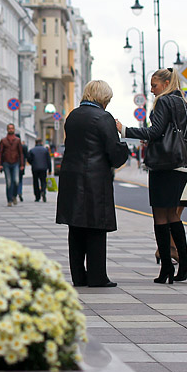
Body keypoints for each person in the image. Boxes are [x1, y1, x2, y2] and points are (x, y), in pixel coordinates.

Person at [116, 68, 187, 285]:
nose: (152, 91)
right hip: (182, 166)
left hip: (164, 165)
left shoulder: (164, 102)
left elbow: (155, 132)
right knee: (174, 216)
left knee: (160, 216)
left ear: (167, 82)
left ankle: (167, 268)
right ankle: (186, 264)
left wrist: (124, 129)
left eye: (154, 85)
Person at [57, 81, 130, 288]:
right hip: (94, 179)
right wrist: (124, 148)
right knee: (96, 227)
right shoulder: (103, 118)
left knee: (76, 227)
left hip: (71, 177)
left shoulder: (73, 116)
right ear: (103, 98)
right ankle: (98, 276)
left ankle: (79, 277)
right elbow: (114, 153)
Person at [0, 124, 24, 207]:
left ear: (14, 130)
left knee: (16, 181)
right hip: (6, 163)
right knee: (8, 182)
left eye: (12, 128)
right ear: (7, 130)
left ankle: (14, 196)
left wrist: (22, 164)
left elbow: (21, 153)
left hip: (15, 162)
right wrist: (0, 164)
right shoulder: (3, 140)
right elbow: (0, 153)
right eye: (9, 128)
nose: (11, 130)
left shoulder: (17, 140)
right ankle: (9, 200)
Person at [18, 137, 28, 202]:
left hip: (15, 164)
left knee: (15, 180)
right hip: (21, 165)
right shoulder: (24, 147)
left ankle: (15, 193)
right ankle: (19, 192)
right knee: (20, 180)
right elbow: (26, 156)